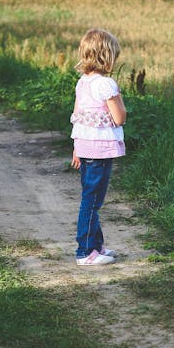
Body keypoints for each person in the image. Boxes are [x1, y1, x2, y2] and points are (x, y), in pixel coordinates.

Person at [70, 28, 127, 265]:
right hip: (100, 149)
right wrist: (119, 97)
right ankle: (85, 252)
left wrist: (76, 149)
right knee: (92, 202)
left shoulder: (82, 83)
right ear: (107, 56)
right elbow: (120, 117)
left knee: (91, 199)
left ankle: (97, 246)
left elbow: (77, 116)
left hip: (85, 147)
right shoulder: (106, 84)